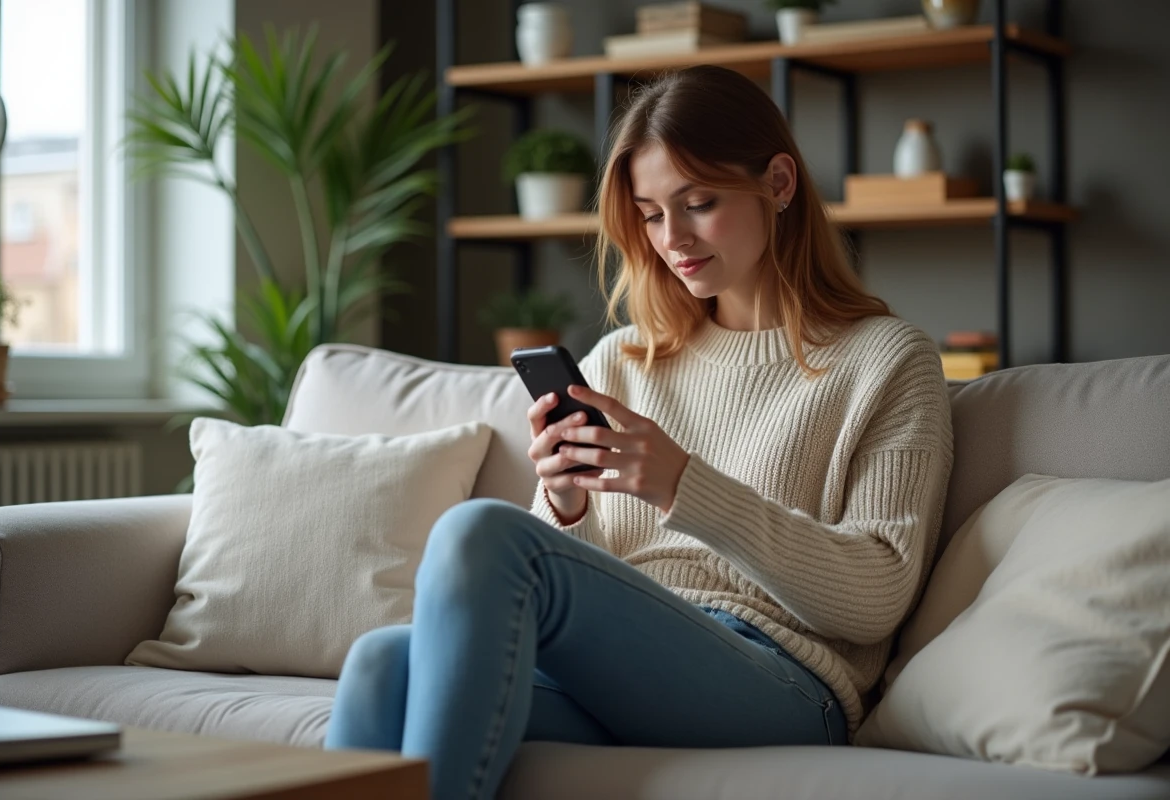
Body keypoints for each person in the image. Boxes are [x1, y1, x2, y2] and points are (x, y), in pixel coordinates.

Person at [324, 64, 954, 800]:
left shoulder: (886, 360)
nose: (672, 238)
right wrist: (564, 505)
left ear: (779, 183)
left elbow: (878, 596)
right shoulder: (621, 360)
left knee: (477, 532)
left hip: (783, 680)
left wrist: (684, 486)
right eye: (651, 215)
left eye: (699, 203)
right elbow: (561, 585)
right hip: (621, 668)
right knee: (382, 665)